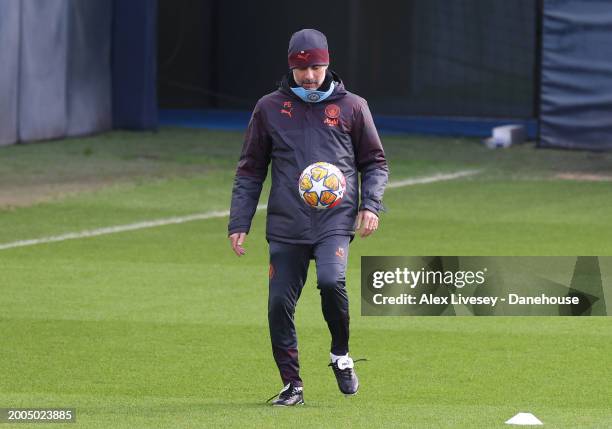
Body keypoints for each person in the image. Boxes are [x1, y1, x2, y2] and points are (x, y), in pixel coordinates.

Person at [228, 28, 388, 406]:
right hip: (286, 222)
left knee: (332, 283)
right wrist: (239, 222)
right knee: (278, 303)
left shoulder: (352, 106)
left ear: (327, 63)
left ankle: (340, 355)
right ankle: (292, 385)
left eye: (316, 67)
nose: (310, 76)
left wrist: (371, 204)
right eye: (302, 69)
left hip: (335, 219)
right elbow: (250, 169)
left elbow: (374, 162)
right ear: (291, 67)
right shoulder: (268, 108)